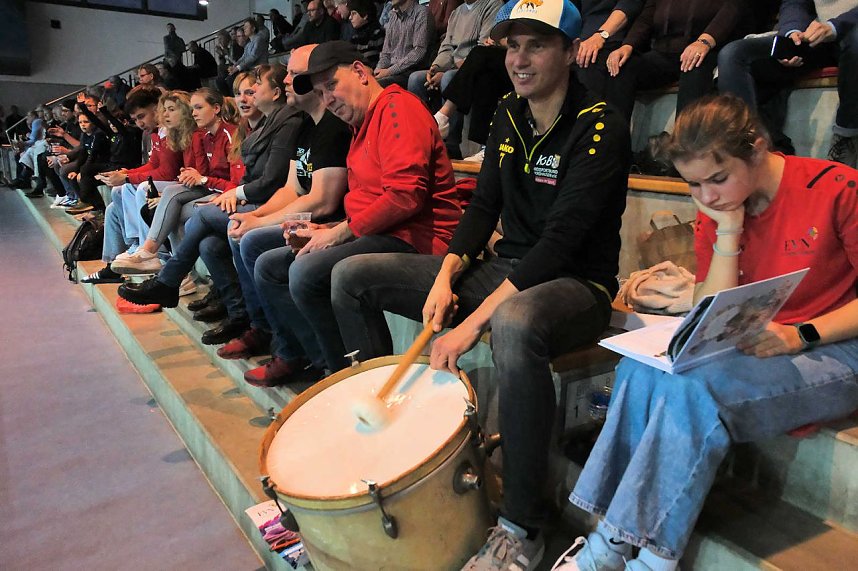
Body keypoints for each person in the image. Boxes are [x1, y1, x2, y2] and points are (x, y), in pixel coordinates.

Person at [330, 0, 631, 567]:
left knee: (513, 324)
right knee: (353, 275)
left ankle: (521, 527)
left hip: (574, 284)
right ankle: (388, 445)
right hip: (505, 269)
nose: (519, 58)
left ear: (569, 51)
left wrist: (471, 323)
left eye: (536, 44)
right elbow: (481, 209)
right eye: (512, 45)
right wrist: (447, 273)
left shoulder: (600, 125)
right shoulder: (507, 114)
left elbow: (558, 245)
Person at [556, 93, 858, 571]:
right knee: (640, 373)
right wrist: (728, 233)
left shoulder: (837, 187)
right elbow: (711, 308)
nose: (708, 196)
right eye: (694, 184)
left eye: (718, 178)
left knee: (693, 391)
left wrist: (803, 334)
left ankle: (649, 558)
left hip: (835, 345)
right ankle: (608, 546)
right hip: (758, 343)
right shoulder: (720, 207)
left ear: (757, 147)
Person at [265, 40, 462, 376]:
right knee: (270, 265)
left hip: (419, 239)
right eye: (321, 93)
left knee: (306, 272)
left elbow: (405, 196)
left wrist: (340, 232)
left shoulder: (397, 108)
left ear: (359, 72)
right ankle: (329, 367)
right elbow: (368, 205)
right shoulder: (361, 125)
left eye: (332, 86)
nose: (328, 100)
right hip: (385, 233)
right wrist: (330, 230)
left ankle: (359, 378)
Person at [118, 64, 303, 347]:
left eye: (251, 91)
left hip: (261, 202)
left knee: (201, 217)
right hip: (248, 199)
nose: (244, 98)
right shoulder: (250, 129)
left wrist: (236, 197)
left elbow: (264, 183)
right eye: (240, 92)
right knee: (207, 244)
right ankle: (240, 314)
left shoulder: (276, 125)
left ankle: (166, 272)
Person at [221, 44, 351, 385]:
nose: (287, 81)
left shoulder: (334, 127)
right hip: (309, 214)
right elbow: (292, 188)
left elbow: (322, 202)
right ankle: (271, 334)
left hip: (328, 220)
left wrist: (259, 222)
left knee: (253, 248)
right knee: (240, 235)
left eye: (294, 75)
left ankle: (294, 352)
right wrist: (256, 215)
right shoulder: (307, 126)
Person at [112, 88, 240, 275]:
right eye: (165, 110)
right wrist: (190, 177)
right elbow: (195, 174)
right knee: (156, 201)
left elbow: (213, 179)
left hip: (223, 194)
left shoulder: (217, 134)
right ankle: (151, 254)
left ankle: (155, 256)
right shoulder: (200, 135)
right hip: (210, 189)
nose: (165, 115)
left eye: (172, 109)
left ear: (216, 108)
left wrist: (197, 178)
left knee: (165, 201)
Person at [718, 1, 858, 167]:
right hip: (818, 36)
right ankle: (751, 149)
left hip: (848, 31)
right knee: (733, 54)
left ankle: (847, 137)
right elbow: (795, 3)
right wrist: (792, 32)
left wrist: (834, 26)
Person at [603, 0, 747, 119]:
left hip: (707, 48)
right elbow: (646, 17)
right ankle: (615, 144)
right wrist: (628, 45)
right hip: (664, 50)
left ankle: (685, 147)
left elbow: (733, 8)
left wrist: (704, 41)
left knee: (695, 65)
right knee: (623, 66)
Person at [374, 0, 435, 87]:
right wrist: (377, 71)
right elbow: (386, 53)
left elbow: (419, 51)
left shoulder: (422, 13)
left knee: (378, 85)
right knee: (366, 83)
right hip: (392, 71)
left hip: (411, 71)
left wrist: (389, 71)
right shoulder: (393, 15)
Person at [219, 19, 270, 96]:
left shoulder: (259, 39)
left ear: (253, 28)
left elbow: (253, 56)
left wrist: (238, 67)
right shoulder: (249, 43)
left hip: (258, 69)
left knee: (231, 80)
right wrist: (235, 65)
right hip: (249, 69)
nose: (244, 29)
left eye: (246, 27)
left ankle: (233, 100)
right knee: (221, 80)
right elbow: (243, 57)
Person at [347, 0, 385, 68]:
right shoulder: (354, 38)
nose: (350, 17)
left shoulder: (378, 34)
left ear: (365, 15)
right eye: (350, 14)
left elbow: (382, 60)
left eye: (354, 13)